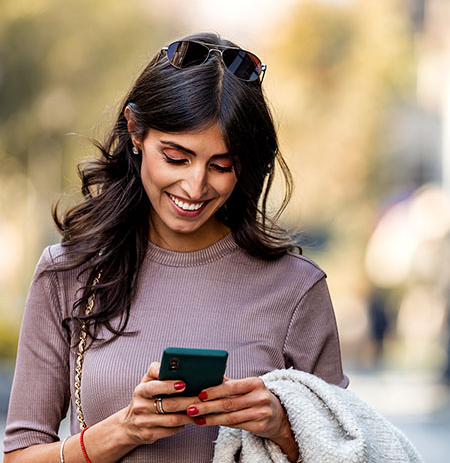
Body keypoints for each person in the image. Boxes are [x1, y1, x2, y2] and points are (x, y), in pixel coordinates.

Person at [3, 32, 348, 463]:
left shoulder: (297, 289)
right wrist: (121, 431)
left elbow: (346, 449)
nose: (195, 185)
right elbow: (20, 456)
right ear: (135, 132)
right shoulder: (68, 273)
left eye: (222, 165)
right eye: (176, 157)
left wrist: (282, 427)